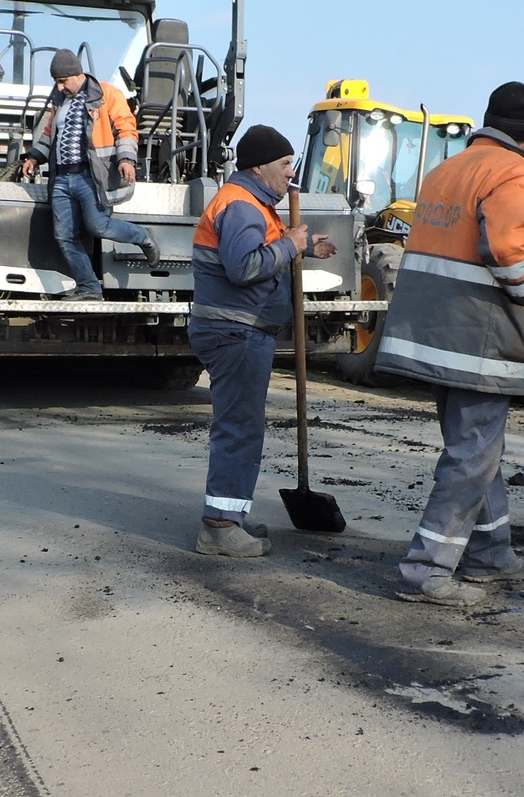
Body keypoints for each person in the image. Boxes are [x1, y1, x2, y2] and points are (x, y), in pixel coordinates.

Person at [372, 82, 524, 606]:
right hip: (476, 340)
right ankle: (425, 572)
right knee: (473, 454)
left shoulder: (445, 170)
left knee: (479, 451)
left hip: (431, 336)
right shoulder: (512, 170)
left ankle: (490, 553)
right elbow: (505, 244)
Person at [187, 123, 336, 557]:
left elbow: (261, 249)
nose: (291, 172)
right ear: (259, 166)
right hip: (236, 331)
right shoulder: (241, 205)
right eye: (285, 164)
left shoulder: (251, 204)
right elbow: (244, 267)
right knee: (239, 429)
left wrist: (303, 247)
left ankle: (228, 516)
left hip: (240, 329)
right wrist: (290, 246)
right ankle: (218, 528)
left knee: (242, 426)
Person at [23, 48, 158, 298]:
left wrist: (127, 159)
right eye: (56, 82)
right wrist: (34, 157)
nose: (59, 87)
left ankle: (143, 237)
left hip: (91, 177)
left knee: (98, 226)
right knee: (64, 236)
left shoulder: (106, 94)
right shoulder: (59, 101)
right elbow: (50, 134)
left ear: (77, 75)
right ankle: (89, 287)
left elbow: (126, 127)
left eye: (62, 81)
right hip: (62, 178)